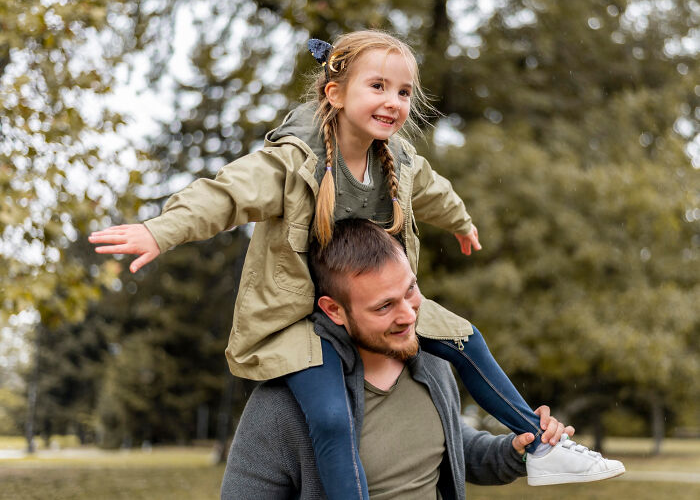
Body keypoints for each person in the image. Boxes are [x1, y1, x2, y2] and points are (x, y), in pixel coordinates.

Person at [89, 30, 624, 497]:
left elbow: (434, 193)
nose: (393, 101)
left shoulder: (400, 163)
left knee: (467, 342)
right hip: (302, 321)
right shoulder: (293, 162)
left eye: (404, 91)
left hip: (378, 302)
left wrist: (460, 223)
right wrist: (159, 230)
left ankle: (546, 447)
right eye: (378, 86)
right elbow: (225, 194)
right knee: (329, 419)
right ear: (335, 93)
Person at [220, 219, 616, 499]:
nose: (409, 315)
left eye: (411, 291)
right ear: (334, 310)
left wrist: (516, 448)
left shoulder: (432, 367)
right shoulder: (283, 404)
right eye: (384, 307)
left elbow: (456, 451)